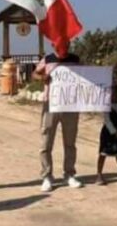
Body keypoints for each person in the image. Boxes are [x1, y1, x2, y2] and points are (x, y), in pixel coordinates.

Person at [35, 46, 83, 192]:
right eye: (60, 43)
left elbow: (86, 75)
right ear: (54, 44)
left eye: (66, 42)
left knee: (70, 142)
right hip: (51, 104)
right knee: (46, 142)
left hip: (70, 104)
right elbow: (35, 74)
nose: (63, 45)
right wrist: (43, 77)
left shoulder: (76, 59)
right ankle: (47, 176)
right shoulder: (48, 59)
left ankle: (69, 174)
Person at [95, 83, 117, 186]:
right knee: (103, 154)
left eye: (115, 93)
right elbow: (107, 120)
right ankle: (99, 175)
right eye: (111, 93)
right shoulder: (106, 106)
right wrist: (114, 132)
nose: (113, 95)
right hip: (108, 133)